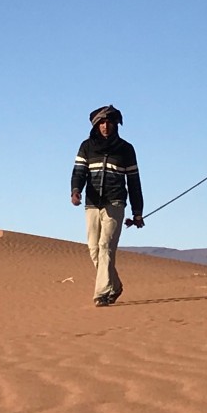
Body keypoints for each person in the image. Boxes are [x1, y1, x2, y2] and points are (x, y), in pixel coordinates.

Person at [71, 104, 144, 307]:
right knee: (94, 249)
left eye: (110, 122)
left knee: (105, 247)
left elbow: (134, 182)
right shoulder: (86, 147)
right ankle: (115, 285)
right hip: (92, 204)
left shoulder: (126, 149)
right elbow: (78, 173)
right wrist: (76, 191)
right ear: (96, 125)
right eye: (102, 122)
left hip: (115, 202)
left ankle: (101, 293)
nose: (106, 126)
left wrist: (137, 212)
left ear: (116, 125)